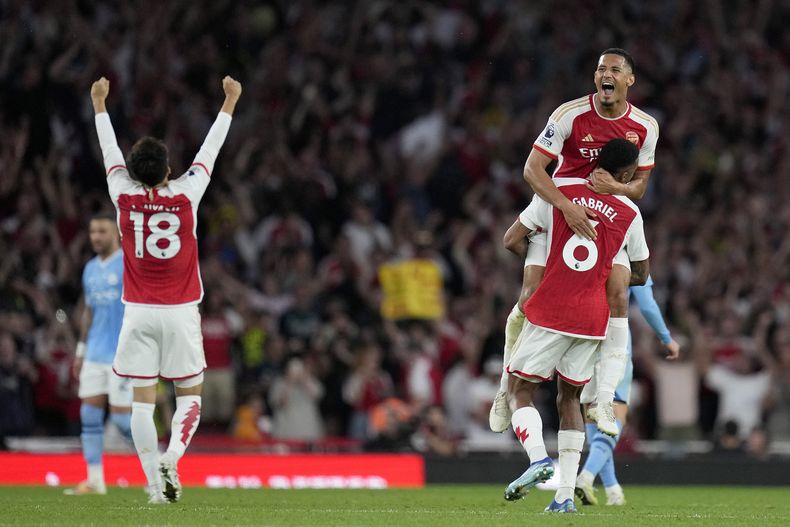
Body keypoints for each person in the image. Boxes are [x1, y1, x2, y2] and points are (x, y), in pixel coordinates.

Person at [490, 48, 659, 438]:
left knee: (618, 295)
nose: (605, 73)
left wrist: (614, 187)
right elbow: (533, 169)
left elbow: (640, 187)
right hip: (559, 206)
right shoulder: (568, 115)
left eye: (614, 69)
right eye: (600, 67)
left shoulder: (645, 126)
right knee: (530, 293)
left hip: (604, 218)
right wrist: (566, 207)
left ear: (629, 80)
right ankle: (505, 389)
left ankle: (603, 399)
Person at [90, 75, 241, 504]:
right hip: (180, 310)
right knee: (189, 394)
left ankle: (154, 487)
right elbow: (210, 151)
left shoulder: (122, 194)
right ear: (169, 170)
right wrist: (229, 101)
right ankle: (171, 457)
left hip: (137, 311)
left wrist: (99, 104)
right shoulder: (187, 193)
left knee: (141, 401)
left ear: (133, 173)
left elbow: (109, 152)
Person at [501, 138, 649, 513]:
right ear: (628, 174)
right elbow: (642, 272)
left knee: (520, 389)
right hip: (594, 319)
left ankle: (537, 460)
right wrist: (604, 275)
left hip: (552, 310)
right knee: (569, 399)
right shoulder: (630, 212)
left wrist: (549, 264)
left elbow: (511, 240)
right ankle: (564, 495)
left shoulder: (559, 192)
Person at [575, 278, 680, 506]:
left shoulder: (588, 245)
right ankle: (586, 476)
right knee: (613, 419)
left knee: (595, 421)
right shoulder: (631, 253)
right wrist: (666, 338)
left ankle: (613, 489)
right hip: (615, 343)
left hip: (583, 341)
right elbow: (647, 305)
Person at [64, 213, 131, 495]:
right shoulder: (90, 268)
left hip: (122, 356)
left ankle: (160, 465)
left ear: (115, 232)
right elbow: (88, 313)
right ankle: (94, 480)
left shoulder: (129, 265)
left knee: (123, 422)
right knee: (89, 417)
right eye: (92, 231)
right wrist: (80, 351)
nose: (96, 237)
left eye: (102, 231)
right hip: (93, 353)